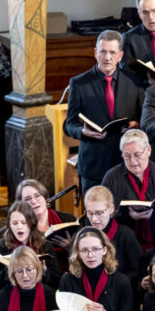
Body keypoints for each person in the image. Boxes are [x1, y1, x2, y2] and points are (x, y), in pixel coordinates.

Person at [63, 30, 142, 192]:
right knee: (95, 216)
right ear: (95, 53)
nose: (107, 57)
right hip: (94, 165)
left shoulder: (135, 81)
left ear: (120, 56)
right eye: (103, 51)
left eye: (112, 52)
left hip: (127, 162)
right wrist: (83, 132)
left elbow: (143, 117)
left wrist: (137, 124)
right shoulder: (79, 83)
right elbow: (69, 124)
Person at [101, 129, 155, 250]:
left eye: (137, 155)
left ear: (148, 150)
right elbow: (100, 214)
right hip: (123, 243)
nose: (132, 161)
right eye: (127, 156)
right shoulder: (112, 177)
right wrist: (127, 216)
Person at [79, 186, 142, 299]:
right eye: (90, 213)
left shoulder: (126, 235)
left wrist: (113, 285)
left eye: (99, 213)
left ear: (111, 209)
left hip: (120, 296)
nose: (94, 219)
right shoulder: (81, 236)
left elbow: (136, 270)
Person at [0, 200, 60, 291]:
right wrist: (10, 268)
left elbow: (57, 282)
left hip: (40, 297)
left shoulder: (45, 245)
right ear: (9, 225)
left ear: (31, 223)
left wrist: (44, 270)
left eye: (24, 222)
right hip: (11, 298)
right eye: (15, 223)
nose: (19, 227)